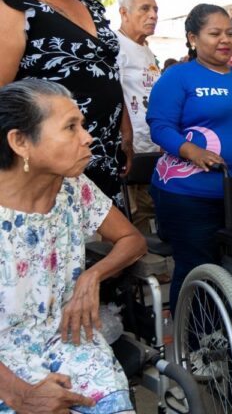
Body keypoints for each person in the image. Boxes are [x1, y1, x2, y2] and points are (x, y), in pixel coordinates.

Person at [0, 79, 146, 414]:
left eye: (81, 124)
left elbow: (132, 240)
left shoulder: (73, 187)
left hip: (66, 339)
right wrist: (23, 396)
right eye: (70, 127)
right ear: (20, 141)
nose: (87, 137)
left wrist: (92, 276)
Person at [146, 4, 232, 312]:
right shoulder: (178, 77)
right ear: (193, 38)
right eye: (214, 33)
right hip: (189, 196)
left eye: (229, 33)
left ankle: (229, 330)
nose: (225, 40)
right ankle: (190, 343)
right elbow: (160, 126)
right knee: (198, 268)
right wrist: (191, 151)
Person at [0, 0, 129, 206]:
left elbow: (107, 68)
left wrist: (125, 129)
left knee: (110, 243)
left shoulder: (89, 3)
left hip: (104, 152)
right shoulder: (13, 7)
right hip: (51, 166)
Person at [115, 0, 161, 234]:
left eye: (155, 9)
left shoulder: (147, 51)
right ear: (124, 13)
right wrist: (126, 139)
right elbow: (115, 94)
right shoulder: (115, 46)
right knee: (127, 217)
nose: (153, 15)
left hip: (152, 147)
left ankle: (143, 266)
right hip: (129, 150)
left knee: (146, 212)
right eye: (145, 9)